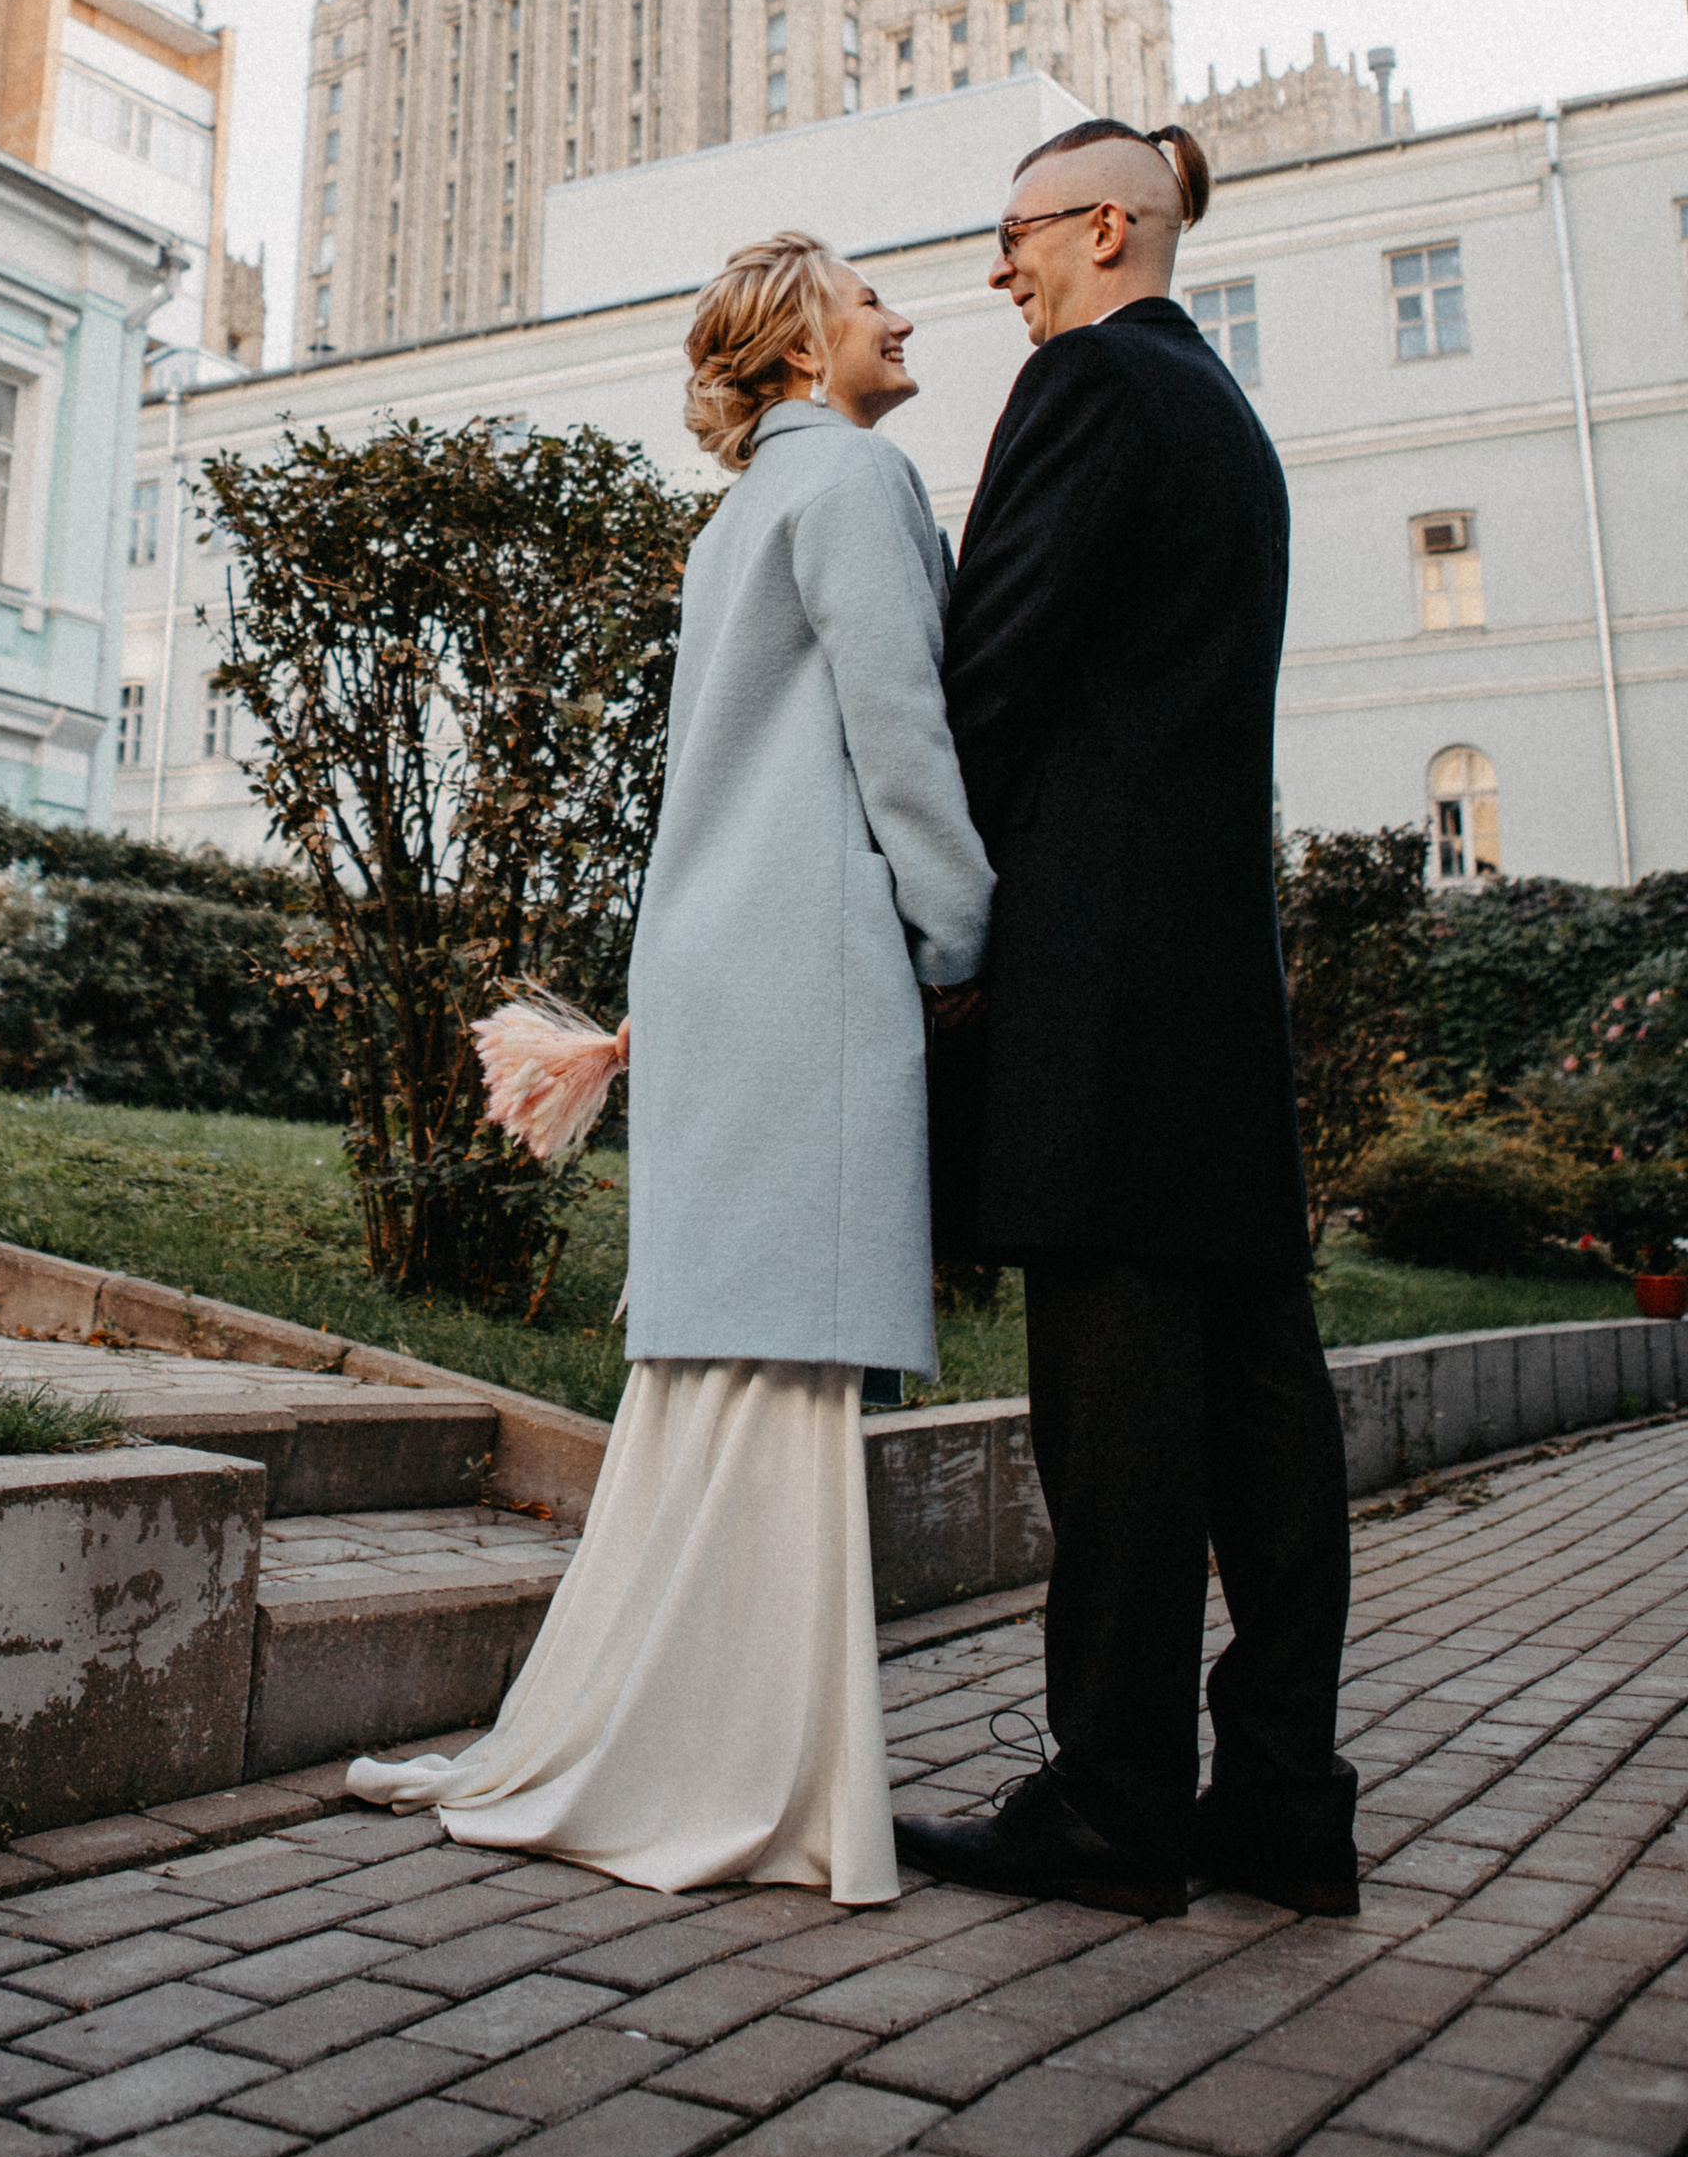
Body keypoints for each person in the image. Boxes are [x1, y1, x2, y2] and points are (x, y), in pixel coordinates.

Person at [348, 229, 993, 1893]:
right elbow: (900, 730)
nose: (902, 313)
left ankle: (689, 1733)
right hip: (810, 970)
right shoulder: (857, 483)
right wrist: (964, 928)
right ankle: (742, 1767)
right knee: (782, 1372)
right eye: (868, 300)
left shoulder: (731, 525)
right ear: (798, 346)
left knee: (727, 1373)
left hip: (714, 971)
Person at [898, 118, 1357, 1926]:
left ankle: (1109, 1806)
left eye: (1012, 235)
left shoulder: (1085, 385)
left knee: (1119, 1424)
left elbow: (994, 666)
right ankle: (1284, 1803)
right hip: (1220, 999)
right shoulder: (1232, 427)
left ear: (1104, 227)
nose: (996, 271)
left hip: (1096, 995)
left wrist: (918, 897)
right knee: (1263, 1412)